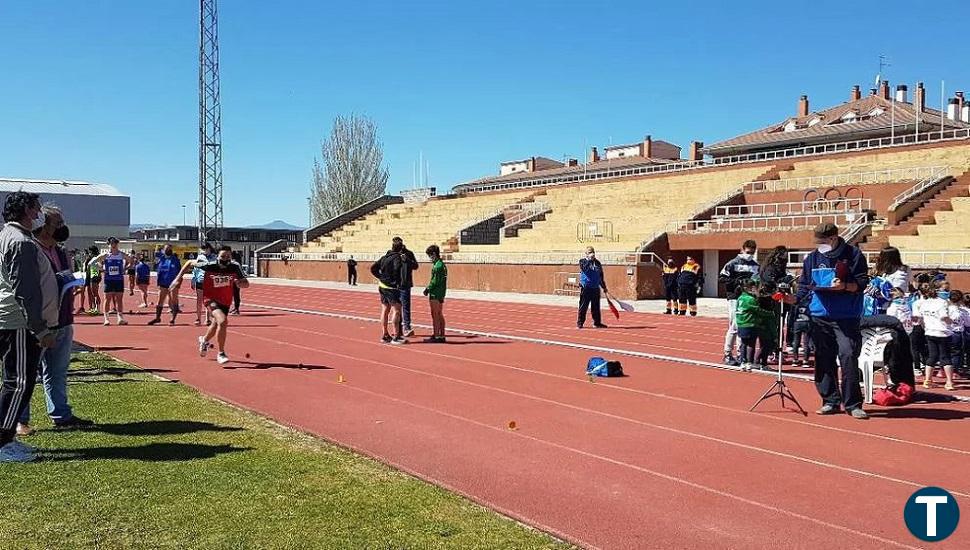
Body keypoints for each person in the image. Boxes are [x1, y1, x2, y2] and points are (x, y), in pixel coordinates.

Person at [16, 204, 94, 436]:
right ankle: (20, 419)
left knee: (57, 371)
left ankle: (61, 414)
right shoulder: (31, 250)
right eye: (57, 223)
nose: (62, 226)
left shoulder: (61, 251)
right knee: (28, 372)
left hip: (63, 319)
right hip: (39, 322)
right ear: (43, 226)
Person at [0, 192, 59, 462]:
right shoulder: (21, 242)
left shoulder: (9, 237)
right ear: (25, 209)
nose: (39, 215)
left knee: (15, 381)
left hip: (16, 321)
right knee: (19, 382)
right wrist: (40, 329)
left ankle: (6, 437)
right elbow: (25, 290)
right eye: (36, 209)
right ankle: (2, 442)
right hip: (20, 324)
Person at [793, 223, 869, 419]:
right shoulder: (812, 257)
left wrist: (844, 286)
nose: (820, 245)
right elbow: (804, 285)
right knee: (823, 358)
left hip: (847, 316)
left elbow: (862, 283)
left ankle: (853, 404)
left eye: (823, 241)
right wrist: (792, 299)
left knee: (848, 356)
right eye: (818, 241)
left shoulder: (854, 255)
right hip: (819, 316)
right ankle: (830, 401)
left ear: (834, 238)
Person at [171, 245, 249, 364]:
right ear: (217, 256)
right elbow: (189, 262)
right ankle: (221, 353)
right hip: (210, 298)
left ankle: (204, 340)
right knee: (222, 321)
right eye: (223, 256)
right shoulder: (210, 265)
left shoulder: (235, 267)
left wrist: (239, 283)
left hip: (226, 301)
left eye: (228, 256)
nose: (225, 259)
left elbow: (246, 283)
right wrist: (178, 278)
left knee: (215, 324)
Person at [912, 281, 960, 390]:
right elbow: (944, 317)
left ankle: (928, 380)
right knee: (945, 356)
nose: (947, 293)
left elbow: (919, 318)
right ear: (938, 290)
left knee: (932, 356)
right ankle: (949, 382)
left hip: (930, 332)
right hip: (942, 332)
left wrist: (926, 327)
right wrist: (951, 322)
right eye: (946, 290)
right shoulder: (943, 303)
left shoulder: (925, 303)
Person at [718, 240, 759, 365]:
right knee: (735, 325)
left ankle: (741, 353)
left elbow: (757, 280)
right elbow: (722, 278)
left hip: (748, 298)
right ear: (742, 249)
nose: (750, 254)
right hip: (735, 298)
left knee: (743, 326)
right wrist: (737, 282)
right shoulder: (732, 263)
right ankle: (727, 353)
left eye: (752, 252)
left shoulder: (755, 265)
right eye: (748, 252)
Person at [88, 237, 132, 326]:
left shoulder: (121, 254)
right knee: (107, 299)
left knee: (119, 299)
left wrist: (125, 268)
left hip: (119, 279)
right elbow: (91, 263)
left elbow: (131, 261)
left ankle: (120, 318)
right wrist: (102, 269)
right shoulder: (105, 255)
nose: (114, 245)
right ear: (108, 245)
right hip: (108, 280)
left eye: (115, 243)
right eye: (112, 243)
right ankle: (106, 319)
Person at [735, 277, 773, 372]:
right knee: (751, 344)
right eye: (753, 287)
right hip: (750, 323)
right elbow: (757, 310)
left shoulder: (740, 298)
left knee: (744, 343)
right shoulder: (750, 299)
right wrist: (769, 313)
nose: (755, 288)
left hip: (741, 324)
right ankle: (749, 362)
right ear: (747, 288)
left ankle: (743, 362)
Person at [371, 240, 406, 344]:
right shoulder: (397, 258)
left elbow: (373, 268)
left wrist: (381, 277)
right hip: (391, 287)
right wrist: (396, 282)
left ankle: (385, 334)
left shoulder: (384, 257)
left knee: (385, 308)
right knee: (397, 309)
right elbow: (396, 269)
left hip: (382, 285)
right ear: (401, 248)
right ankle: (396, 336)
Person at [148, 244, 181, 326]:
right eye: (166, 249)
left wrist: (178, 283)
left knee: (174, 300)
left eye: (170, 249)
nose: (168, 250)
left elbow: (180, 272)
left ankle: (173, 319)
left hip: (173, 283)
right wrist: (157, 246)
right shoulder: (162, 259)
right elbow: (156, 253)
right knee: (160, 301)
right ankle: (157, 318)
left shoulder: (175, 260)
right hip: (163, 283)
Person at [577, 246, 608, 329]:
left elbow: (600, 275)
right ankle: (580, 322)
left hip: (595, 288)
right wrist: (589, 260)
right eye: (590, 252)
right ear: (586, 254)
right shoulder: (582, 262)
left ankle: (597, 323)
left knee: (596, 307)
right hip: (586, 288)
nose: (592, 254)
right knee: (583, 306)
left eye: (593, 252)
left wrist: (603, 286)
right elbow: (585, 269)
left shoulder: (597, 263)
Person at [394, 237, 419, 337]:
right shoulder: (393, 254)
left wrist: (407, 260)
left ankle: (407, 327)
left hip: (405, 284)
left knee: (406, 307)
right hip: (395, 284)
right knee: (396, 308)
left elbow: (416, 266)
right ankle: (398, 329)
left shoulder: (409, 253)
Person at [423, 245, 448, 343]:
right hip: (441, 292)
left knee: (435, 314)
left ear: (434, 254)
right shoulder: (441, 264)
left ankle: (437, 335)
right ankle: (441, 334)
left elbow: (435, 281)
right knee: (439, 313)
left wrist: (428, 289)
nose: (429, 258)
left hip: (435, 293)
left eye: (430, 255)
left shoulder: (437, 266)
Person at [190, 242, 217, 325]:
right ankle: (198, 318)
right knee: (199, 300)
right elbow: (196, 269)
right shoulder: (200, 257)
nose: (204, 251)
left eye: (206, 249)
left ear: (209, 249)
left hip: (210, 281)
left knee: (209, 301)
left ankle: (207, 319)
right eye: (203, 249)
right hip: (200, 280)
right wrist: (193, 280)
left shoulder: (214, 257)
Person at [85, 245, 102, 315]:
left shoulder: (96, 258)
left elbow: (100, 265)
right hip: (89, 276)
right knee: (90, 293)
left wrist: (99, 270)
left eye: (90, 251)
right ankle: (92, 307)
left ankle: (97, 308)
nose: (89, 253)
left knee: (95, 293)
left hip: (94, 276)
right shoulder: (90, 258)